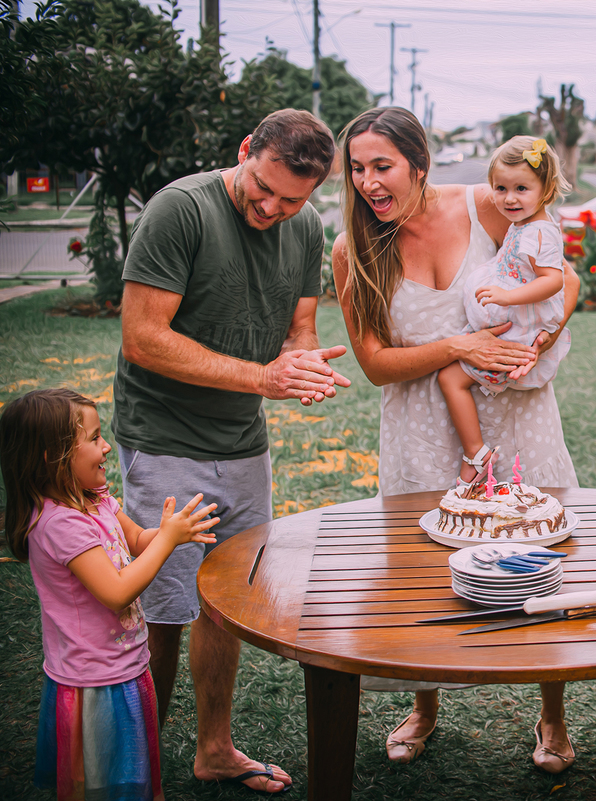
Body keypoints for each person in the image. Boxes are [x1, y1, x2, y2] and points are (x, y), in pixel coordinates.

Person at [332, 107, 580, 774]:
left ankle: (553, 716)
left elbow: (567, 281)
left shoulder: (491, 207)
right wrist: (456, 346)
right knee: (423, 572)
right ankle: (424, 704)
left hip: (515, 416)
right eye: (357, 169)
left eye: (382, 166)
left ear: (419, 164)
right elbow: (376, 364)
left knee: (538, 558)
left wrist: (539, 342)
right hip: (420, 428)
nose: (368, 182)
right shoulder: (352, 249)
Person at [112, 108, 347, 794]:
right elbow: (143, 338)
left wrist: (301, 364)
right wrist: (263, 378)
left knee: (222, 602)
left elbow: (300, 326)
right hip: (164, 438)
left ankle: (213, 748)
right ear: (246, 150)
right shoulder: (180, 209)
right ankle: (141, 766)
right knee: (163, 609)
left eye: (291, 200)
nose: (271, 209)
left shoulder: (305, 226)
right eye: (263, 188)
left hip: (243, 443)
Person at [0, 389, 220, 801]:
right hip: (94, 684)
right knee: (104, 789)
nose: (106, 447)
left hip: (126, 667)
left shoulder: (95, 500)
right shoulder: (60, 525)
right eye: (94, 437)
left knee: (136, 783)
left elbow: (135, 539)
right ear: (53, 457)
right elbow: (116, 592)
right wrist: (167, 542)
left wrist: (170, 532)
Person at [437, 135, 572, 483]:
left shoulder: (540, 233)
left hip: (516, 336)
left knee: (450, 379)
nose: (509, 198)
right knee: (452, 376)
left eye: (521, 189)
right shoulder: (525, 225)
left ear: (547, 188)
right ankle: (477, 451)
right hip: (514, 325)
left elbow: (553, 280)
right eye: (500, 188)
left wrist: (508, 297)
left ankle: (476, 454)